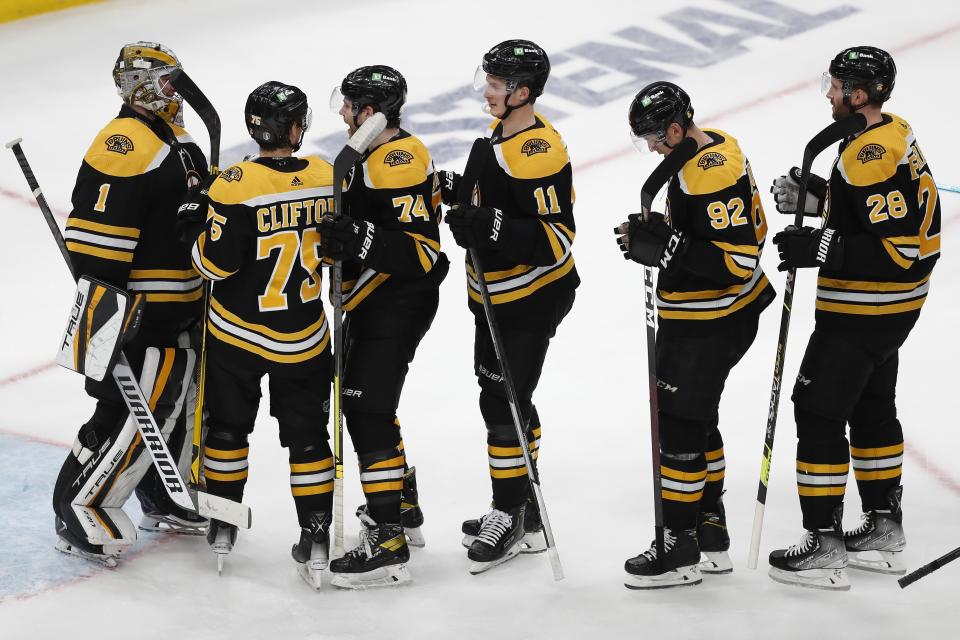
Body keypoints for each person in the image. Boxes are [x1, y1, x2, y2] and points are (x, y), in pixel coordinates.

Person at [768, 46, 940, 590]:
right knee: (871, 405)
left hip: (866, 307)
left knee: (817, 410)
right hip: (894, 309)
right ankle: (884, 527)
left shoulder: (867, 155)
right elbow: (877, 214)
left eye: (837, 86)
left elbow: (895, 248)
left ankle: (823, 542)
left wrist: (820, 248)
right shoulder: (892, 131)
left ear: (859, 95)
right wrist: (824, 203)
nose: (829, 94)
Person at [52, 41, 208, 566]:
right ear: (139, 87)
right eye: (167, 81)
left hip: (182, 302)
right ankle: (78, 507)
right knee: (130, 410)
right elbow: (96, 243)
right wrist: (112, 318)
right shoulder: (122, 142)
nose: (177, 91)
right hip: (143, 309)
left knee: (174, 408)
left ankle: (160, 494)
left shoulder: (179, 139)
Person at [614, 82, 774, 589]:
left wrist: (669, 247)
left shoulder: (710, 173)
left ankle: (678, 545)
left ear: (679, 129)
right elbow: (714, 235)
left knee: (680, 426)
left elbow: (738, 259)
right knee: (699, 419)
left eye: (656, 139)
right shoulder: (715, 145)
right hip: (714, 314)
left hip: (712, 318)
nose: (654, 149)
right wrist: (665, 234)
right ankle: (710, 529)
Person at [182, 81, 335, 582]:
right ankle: (316, 528)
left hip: (238, 334)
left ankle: (223, 521)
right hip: (306, 336)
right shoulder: (324, 173)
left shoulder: (235, 184)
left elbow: (214, 266)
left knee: (226, 428)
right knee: (309, 438)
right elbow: (333, 252)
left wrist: (197, 226)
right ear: (287, 128)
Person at [440, 39, 578, 574]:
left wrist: (490, 226)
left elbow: (557, 239)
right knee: (504, 396)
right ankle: (525, 504)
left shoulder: (538, 152)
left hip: (529, 296)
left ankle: (511, 512)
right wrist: (457, 192)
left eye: (496, 85)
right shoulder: (505, 134)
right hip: (496, 292)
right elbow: (493, 195)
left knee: (503, 403)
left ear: (522, 93)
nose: (486, 92)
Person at [320, 65, 448, 589]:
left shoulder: (395, 161)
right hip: (374, 300)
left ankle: (389, 539)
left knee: (365, 405)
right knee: (370, 403)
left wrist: (356, 237)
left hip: (398, 300)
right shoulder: (368, 155)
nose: (344, 114)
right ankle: (401, 505)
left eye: (349, 106)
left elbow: (421, 253)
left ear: (368, 111)